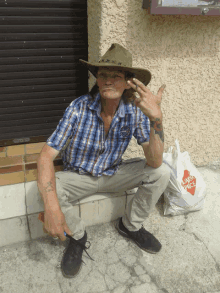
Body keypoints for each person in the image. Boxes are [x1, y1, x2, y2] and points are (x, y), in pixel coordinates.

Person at [37, 43, 170, 278]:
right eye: (103, 75)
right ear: (97, 80)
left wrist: (156, 119)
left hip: (113, 173)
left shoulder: (134, 110)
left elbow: (155, 161)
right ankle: (77, 237)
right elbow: (46, 156)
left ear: (128, 81)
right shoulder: (78, 108)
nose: (108, 81)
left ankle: (130, 226)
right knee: (48, 186)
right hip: (79, 176)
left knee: (162, 173)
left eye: (116, 76)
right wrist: (52, 208)